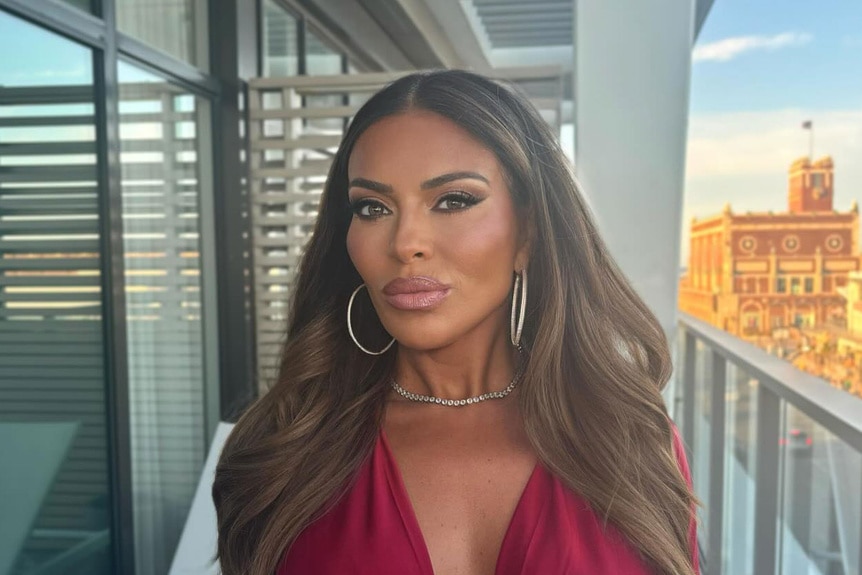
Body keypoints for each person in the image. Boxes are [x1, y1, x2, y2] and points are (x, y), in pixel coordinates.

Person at [213, 69, 700, 575]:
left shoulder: (631, 440)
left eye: (454, 200)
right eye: (372, 207)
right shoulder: (284, 449)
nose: (404, 243)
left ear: (528, 230)